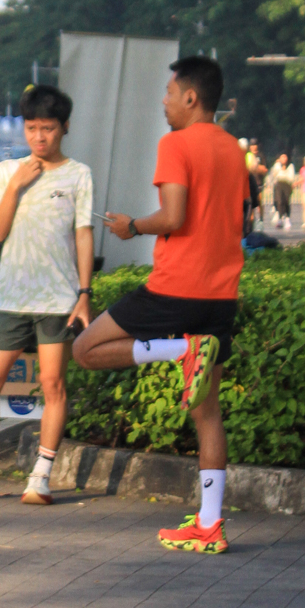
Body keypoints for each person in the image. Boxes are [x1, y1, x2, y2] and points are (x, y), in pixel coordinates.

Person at [73, 55, 248, 556]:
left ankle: (180, 350)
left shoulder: (176, 143)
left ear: (191, 97)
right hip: (221, 294)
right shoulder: (233, 149)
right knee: (208, 412)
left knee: (85, 350)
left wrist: (131, 226)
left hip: (176, 286)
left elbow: (173, 217)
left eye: (170, 93)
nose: (164, 102)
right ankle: (209, 525)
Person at [0, 83, 93, 506]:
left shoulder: (79, 174)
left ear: (64, 127)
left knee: (53, 385)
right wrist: (15, 186)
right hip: (11, 296)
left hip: (58, 298)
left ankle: (41, 476)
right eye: (31, 128)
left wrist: (84, 293)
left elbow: (83, 234)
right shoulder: (7, 171)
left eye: (48, 128)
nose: (39, 137)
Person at [268, 153, 296, 228]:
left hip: (287, 184)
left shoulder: (290, 166)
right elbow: (273, 175)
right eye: (282, 157)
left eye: (285, 157)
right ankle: (280, 218)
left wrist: (284, 171)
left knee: (286, 201)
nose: (284, 159)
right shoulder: (277, 165)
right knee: (279, 201)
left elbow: (291, 177)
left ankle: (287, 218)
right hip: (278, 184)